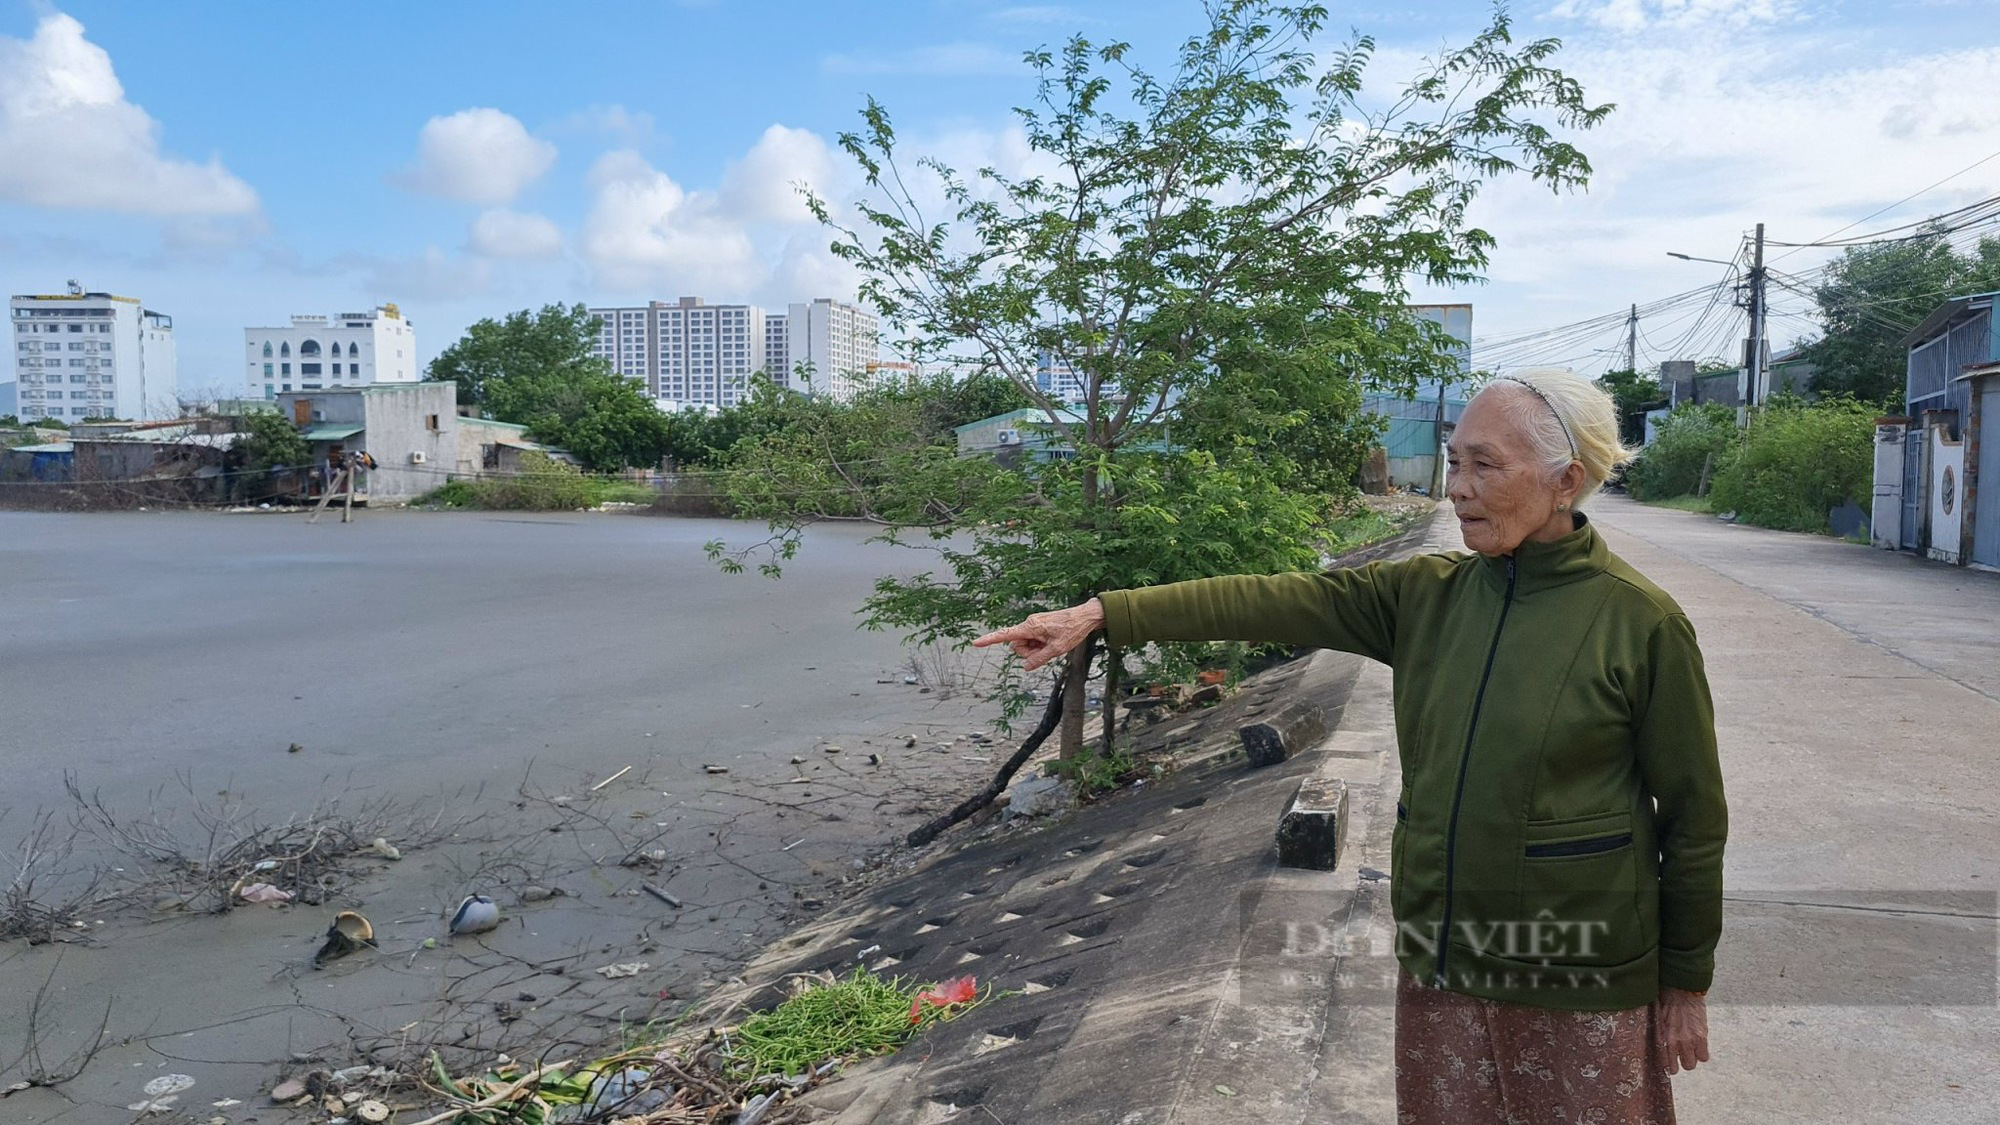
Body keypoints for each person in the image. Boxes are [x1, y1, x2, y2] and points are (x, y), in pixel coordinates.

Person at [973, 369, 1725, 1124]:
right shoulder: (1425, 596)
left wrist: (1684, 981)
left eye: (1484, 465)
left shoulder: (1641, 623)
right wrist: (1104, 612)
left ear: (1566, 481)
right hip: (1443, 966)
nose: (1457, 487)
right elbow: (1275, 598)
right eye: (1454, 459)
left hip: (1579, 975)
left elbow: (1694, 819)